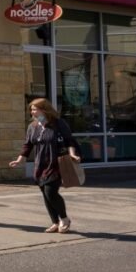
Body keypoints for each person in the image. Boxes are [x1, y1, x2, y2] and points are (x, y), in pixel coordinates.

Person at [10, 97, 81, 234]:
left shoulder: (58, 124)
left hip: (56, 163)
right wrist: (19, 160)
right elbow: (28, 145)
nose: (32, 112)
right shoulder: (33, 127)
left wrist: (72, 154)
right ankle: (55, 222)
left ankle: (64, 219)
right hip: (40, 164)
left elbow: (69, 141)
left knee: (50, 192)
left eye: (35, 109)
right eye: (31, 110)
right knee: (45, 194)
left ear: (44, 110)